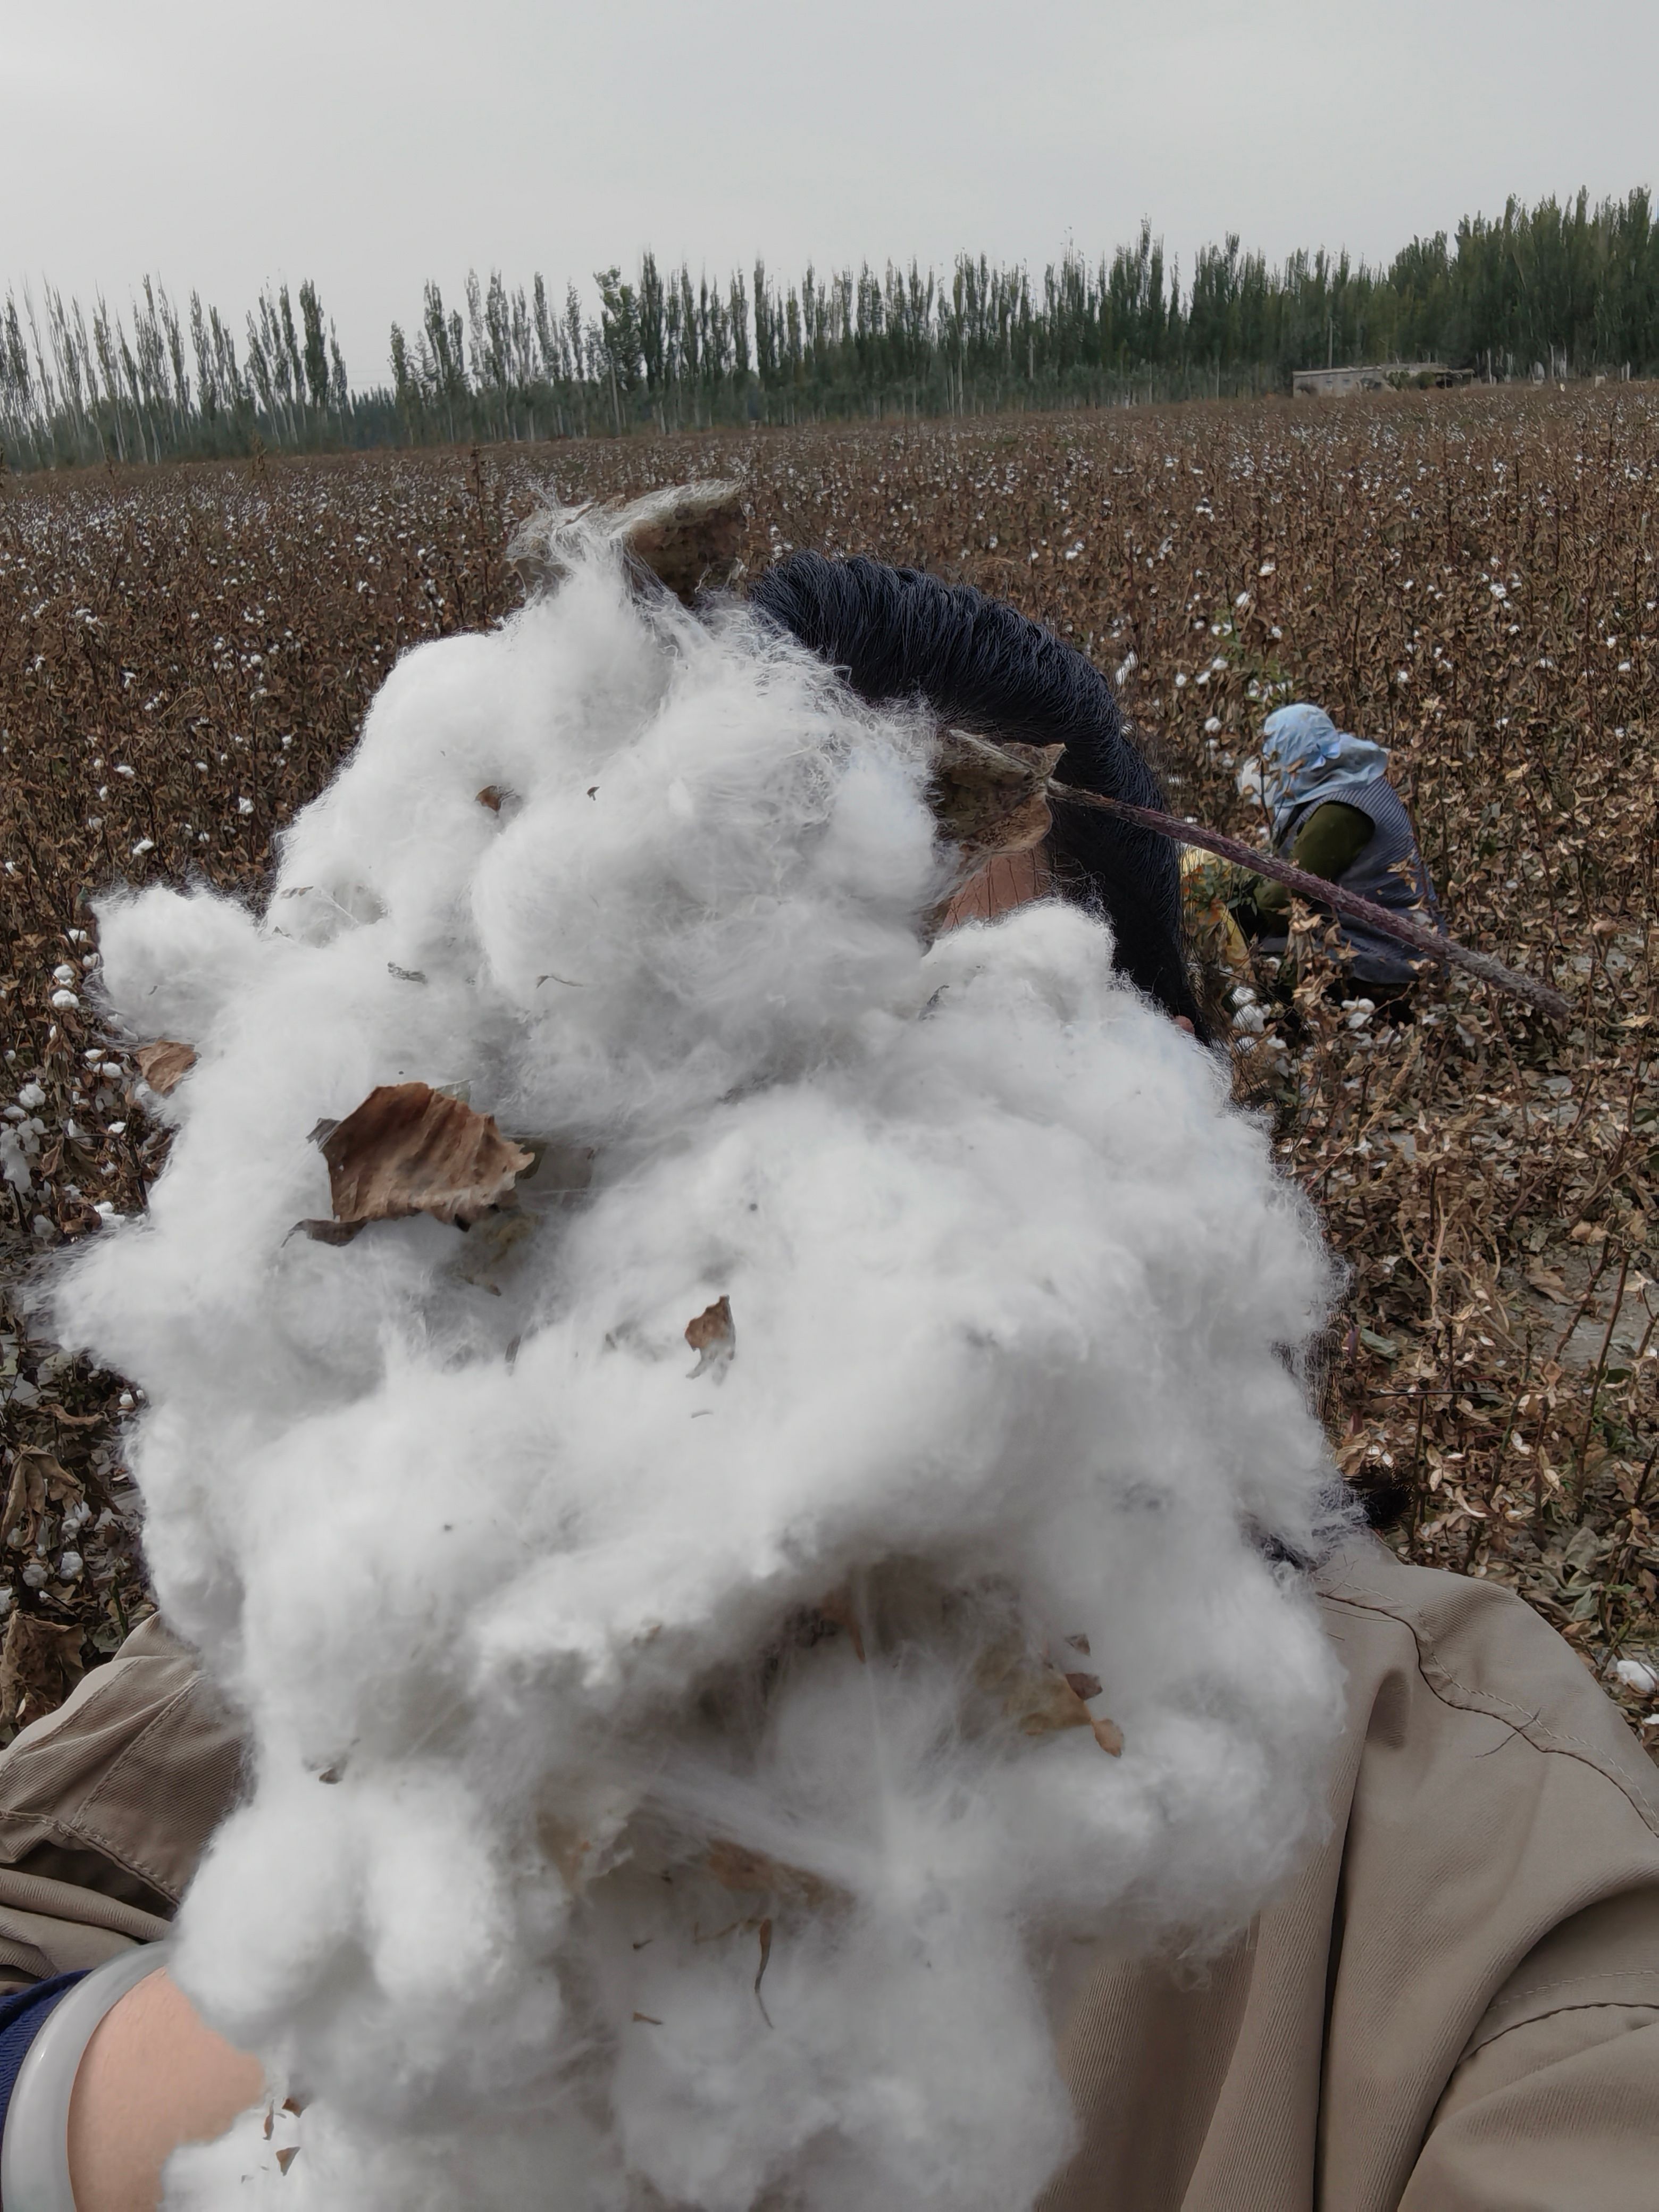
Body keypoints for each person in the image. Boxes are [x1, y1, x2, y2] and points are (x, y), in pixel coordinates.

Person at [0, 569, 1654, 2209]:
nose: (796, 1284)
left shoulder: (1438, 1821)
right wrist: (463, 2011)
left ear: (1174, 1175)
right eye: (654, 1154)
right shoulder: (297, 1664)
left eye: (938, 1103)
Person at [1233, 702, 1444, 999]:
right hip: (1411, 946)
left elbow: (1283, 898)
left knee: (1262, 964)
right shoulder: (1354, 778)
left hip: (1390, 960)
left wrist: (1235, 898)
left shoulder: (1338, 814)